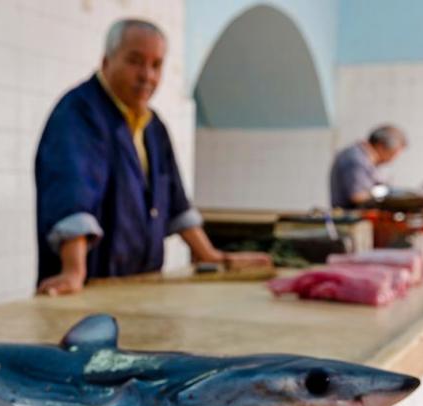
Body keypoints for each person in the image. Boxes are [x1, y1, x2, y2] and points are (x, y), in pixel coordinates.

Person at [35, 19, 269, 295]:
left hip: (142, 285)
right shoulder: (78, 113)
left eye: (156, 65)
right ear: (106, 61)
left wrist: (210, 255)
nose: (147, 75)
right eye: (135, 61)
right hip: (90, 289)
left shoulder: (153, 125)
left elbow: (177, 204)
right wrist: (74, 271)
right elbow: (71, 194)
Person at [329, 125, 408, 209]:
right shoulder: (356, 159)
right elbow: (358, 196)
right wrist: (387, 194)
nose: (391, 160)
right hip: (351, 218)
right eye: (393, 154)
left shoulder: (362, 157)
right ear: (380, 146)